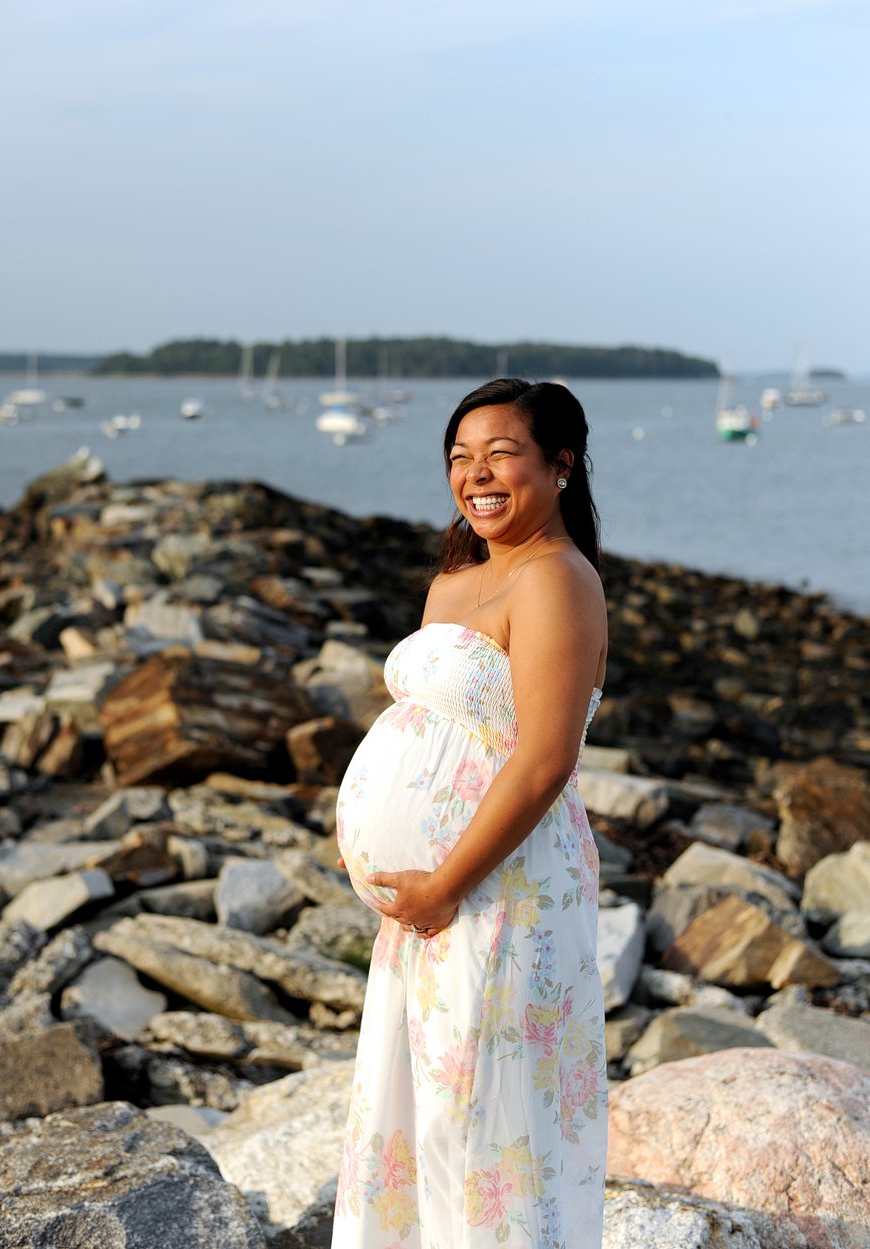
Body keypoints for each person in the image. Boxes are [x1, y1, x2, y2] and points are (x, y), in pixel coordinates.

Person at [332, 378, 609, 1248]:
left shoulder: (560, 581)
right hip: (431, 910)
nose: (475, 474)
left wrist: (445, 884)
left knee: (486, 1125)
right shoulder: (454, 580)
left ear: (560, 465)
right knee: (420, 1121)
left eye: (500, 454)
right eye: (459, 457)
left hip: (498, 890)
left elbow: (543, 762)